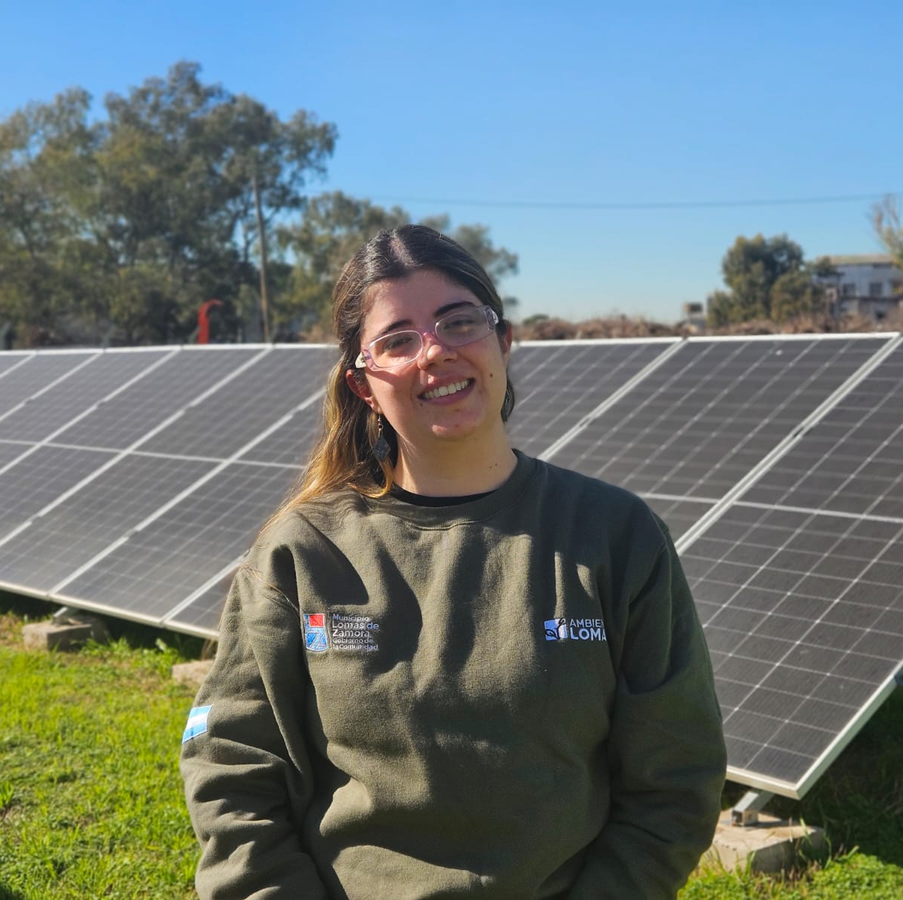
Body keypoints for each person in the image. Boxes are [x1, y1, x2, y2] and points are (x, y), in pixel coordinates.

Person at [180, 224, 726, 899]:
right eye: (397, 340)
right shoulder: (302, 553)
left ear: (503, 341)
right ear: (362, 385)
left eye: (459, 322)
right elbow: (231, 766)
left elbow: (676, 779)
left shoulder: (615, 537)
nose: (435, 351)